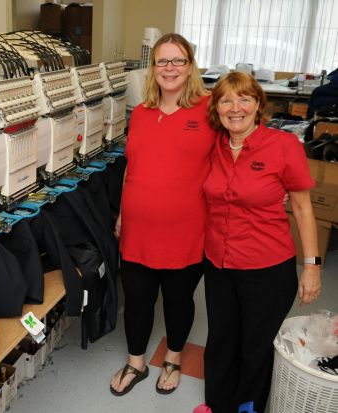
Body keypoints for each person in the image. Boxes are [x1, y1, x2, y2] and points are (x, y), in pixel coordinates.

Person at [203, 71, 322, 413]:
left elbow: (301, 208)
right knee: (222, 341)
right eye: (226, 100)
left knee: (255, 347)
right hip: (219, 263)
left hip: (267, 268)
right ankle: (217, 405)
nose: (235, 108)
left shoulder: (284, 146)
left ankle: (247, 408)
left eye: (244, 99)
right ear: (217, 108)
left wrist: (312, 267)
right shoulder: (214, 145)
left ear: (258, 104)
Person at [110, 33, 215, 396]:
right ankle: (136, 361)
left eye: (178, 61)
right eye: (162, 61)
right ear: (152, 68)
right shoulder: (141, 113)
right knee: (137, 298)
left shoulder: (210, 110)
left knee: (178, 300)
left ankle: (172, 357)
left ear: (190, 66)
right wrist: (122, 214)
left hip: (187, 231)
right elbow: (131, 167)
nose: (169, 68)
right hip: (138, 229)